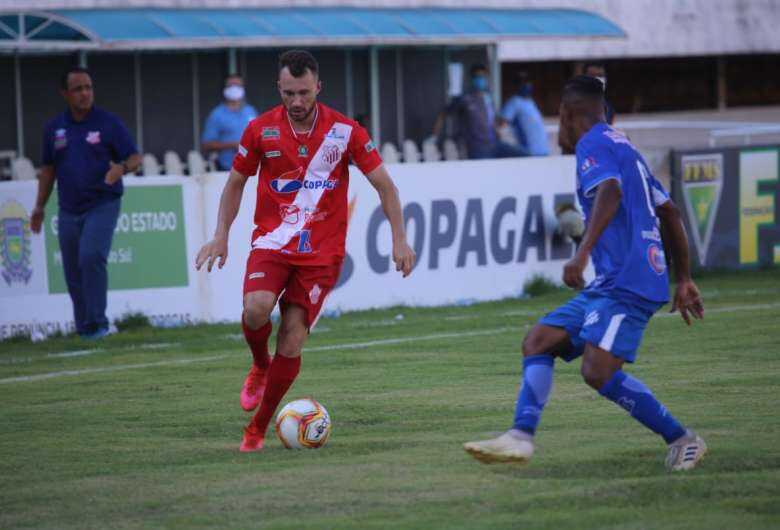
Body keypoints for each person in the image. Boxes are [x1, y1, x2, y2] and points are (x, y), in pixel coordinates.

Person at [463, 76, 707, 471]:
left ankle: (683, 439)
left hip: (628, 281)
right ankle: (520, 438)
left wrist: (581, 254)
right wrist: (683, 277)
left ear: (566, 114)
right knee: (538, 341)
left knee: (596, 371)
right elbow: (670, 212)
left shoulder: (594, 142)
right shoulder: (623, 145)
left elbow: (610, 191)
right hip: (614, 281)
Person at [195, 50, 416, 452]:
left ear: (319, 88)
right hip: (273, 243)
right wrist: (221, 235)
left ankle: (258, 428)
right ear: (278, 88)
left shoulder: (346, 132)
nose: (297, 102)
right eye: (289, 93)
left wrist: (399, 239)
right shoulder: (260, 130)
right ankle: (260, 365)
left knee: (293, 340)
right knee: (257, 308)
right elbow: (235, 184)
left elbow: (385, 186)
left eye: (304, 93)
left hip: (321, 256)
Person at [30, 66, 140, 339]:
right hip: (68, 207)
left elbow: (135, 158)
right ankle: (85, 328)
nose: (85, 93)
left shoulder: (108, 123)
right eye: (78, 89)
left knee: (91, 256)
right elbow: (48, 170)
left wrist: (121, 169)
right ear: (65, 94)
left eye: (88, 87)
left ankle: (99, 324)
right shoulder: (54, 128)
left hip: (103, 202)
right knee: (72, 269)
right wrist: (39, 207)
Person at [434, 63, 522, 160]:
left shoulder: (488, 96)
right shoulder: (465, 98)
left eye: (483, 76)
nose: (480, 79)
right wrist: (435, 136)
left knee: (525, 156)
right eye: (477, 77)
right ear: (472, 79)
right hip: (477, 148)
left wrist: (498, 129)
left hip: (495, 144)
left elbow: (492, 119)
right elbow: (443, 113)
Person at [201, 73, 258, 171]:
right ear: (225, 89)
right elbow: (206, 144)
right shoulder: (217, 114)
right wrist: (233, 145)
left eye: (238, 85)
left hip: (253, 168)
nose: (234, 88)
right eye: (231, 85)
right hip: (227, 169)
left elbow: (259, 134)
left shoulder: (250, 111)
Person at [500, 72, 550, 157]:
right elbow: (502, 125)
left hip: (543, 151)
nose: (526, 85)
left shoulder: (530, 102)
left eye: (527, 82)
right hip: (528, 153)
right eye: (522, 83)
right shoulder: (514, 102)